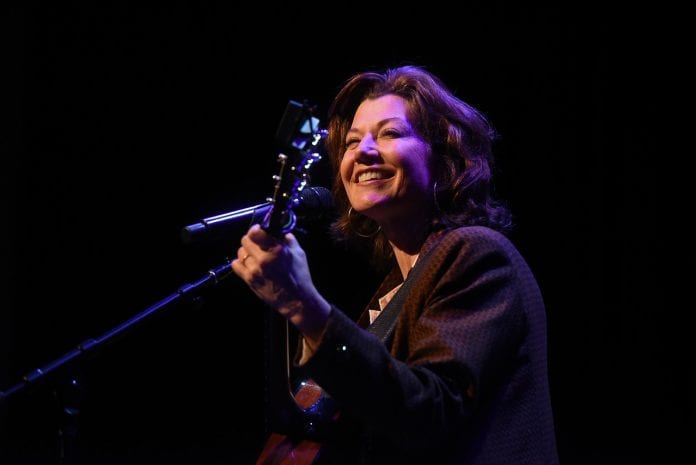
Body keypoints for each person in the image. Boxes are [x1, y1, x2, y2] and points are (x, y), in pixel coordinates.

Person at [231, 65, 559, 465]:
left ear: (444, 157)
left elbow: (429, 413)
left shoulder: (477, 254)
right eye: (352, 142)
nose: (364, 151)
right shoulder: (396, 286)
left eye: (390, 133)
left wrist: (304, 304)